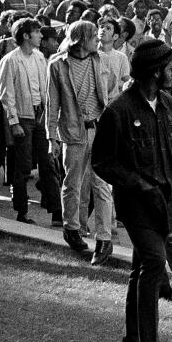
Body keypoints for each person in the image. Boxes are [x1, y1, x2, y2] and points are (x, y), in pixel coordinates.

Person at [91, 39, 172, 342]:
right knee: (153, 262)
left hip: (167, 202)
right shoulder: (118, 111)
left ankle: (132, 340)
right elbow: (102, 162)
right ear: (155, 71)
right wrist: (140, 184)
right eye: (170, 69)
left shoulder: (169, 105)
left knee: (140, 268)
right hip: (136, 203)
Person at [47, 20, 115, 258]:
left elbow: (106, 92)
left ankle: (104, 239)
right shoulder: (57, 64)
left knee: (102, 185)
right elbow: (52, 103)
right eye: (94, 35)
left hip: (98, 129)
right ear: (81, 38)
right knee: (73, 182)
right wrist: (51, 138)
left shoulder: (100, 60)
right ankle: (71, 228)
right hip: (73, 131)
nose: (98, 38)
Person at [0, 18, 58, 226]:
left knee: (48, 163)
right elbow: (7, 94)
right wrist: (13, 122)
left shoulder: (40, 57)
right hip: (23, 117)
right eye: (37, 32)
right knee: (23, 166)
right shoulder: (11, 60)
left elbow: (45, 88)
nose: (41, 36)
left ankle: (56, 212)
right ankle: (21, 211)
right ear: (26, 35)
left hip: (40, 115)